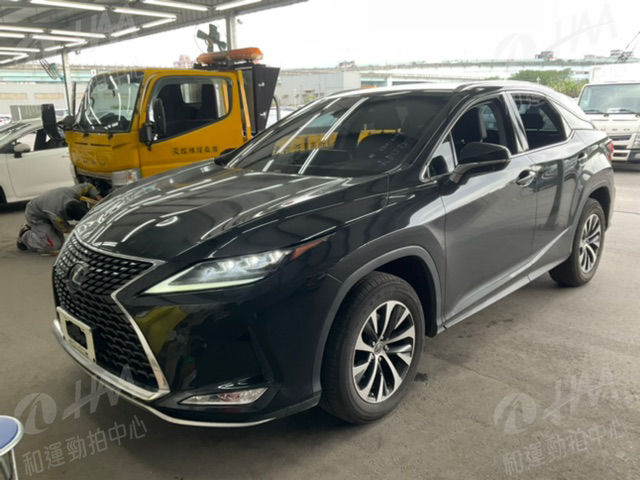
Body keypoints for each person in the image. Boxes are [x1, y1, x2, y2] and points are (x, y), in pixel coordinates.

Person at [17, 183, 101, 253]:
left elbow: (88, 186)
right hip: (35, 215)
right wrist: (82, 226)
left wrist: (99, 198)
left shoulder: (72, 192)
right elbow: (65, 229)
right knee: (55, 245)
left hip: (45, 207)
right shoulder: (55, 215)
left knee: (61, 243)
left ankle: (42, 233)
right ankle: (26, 236)